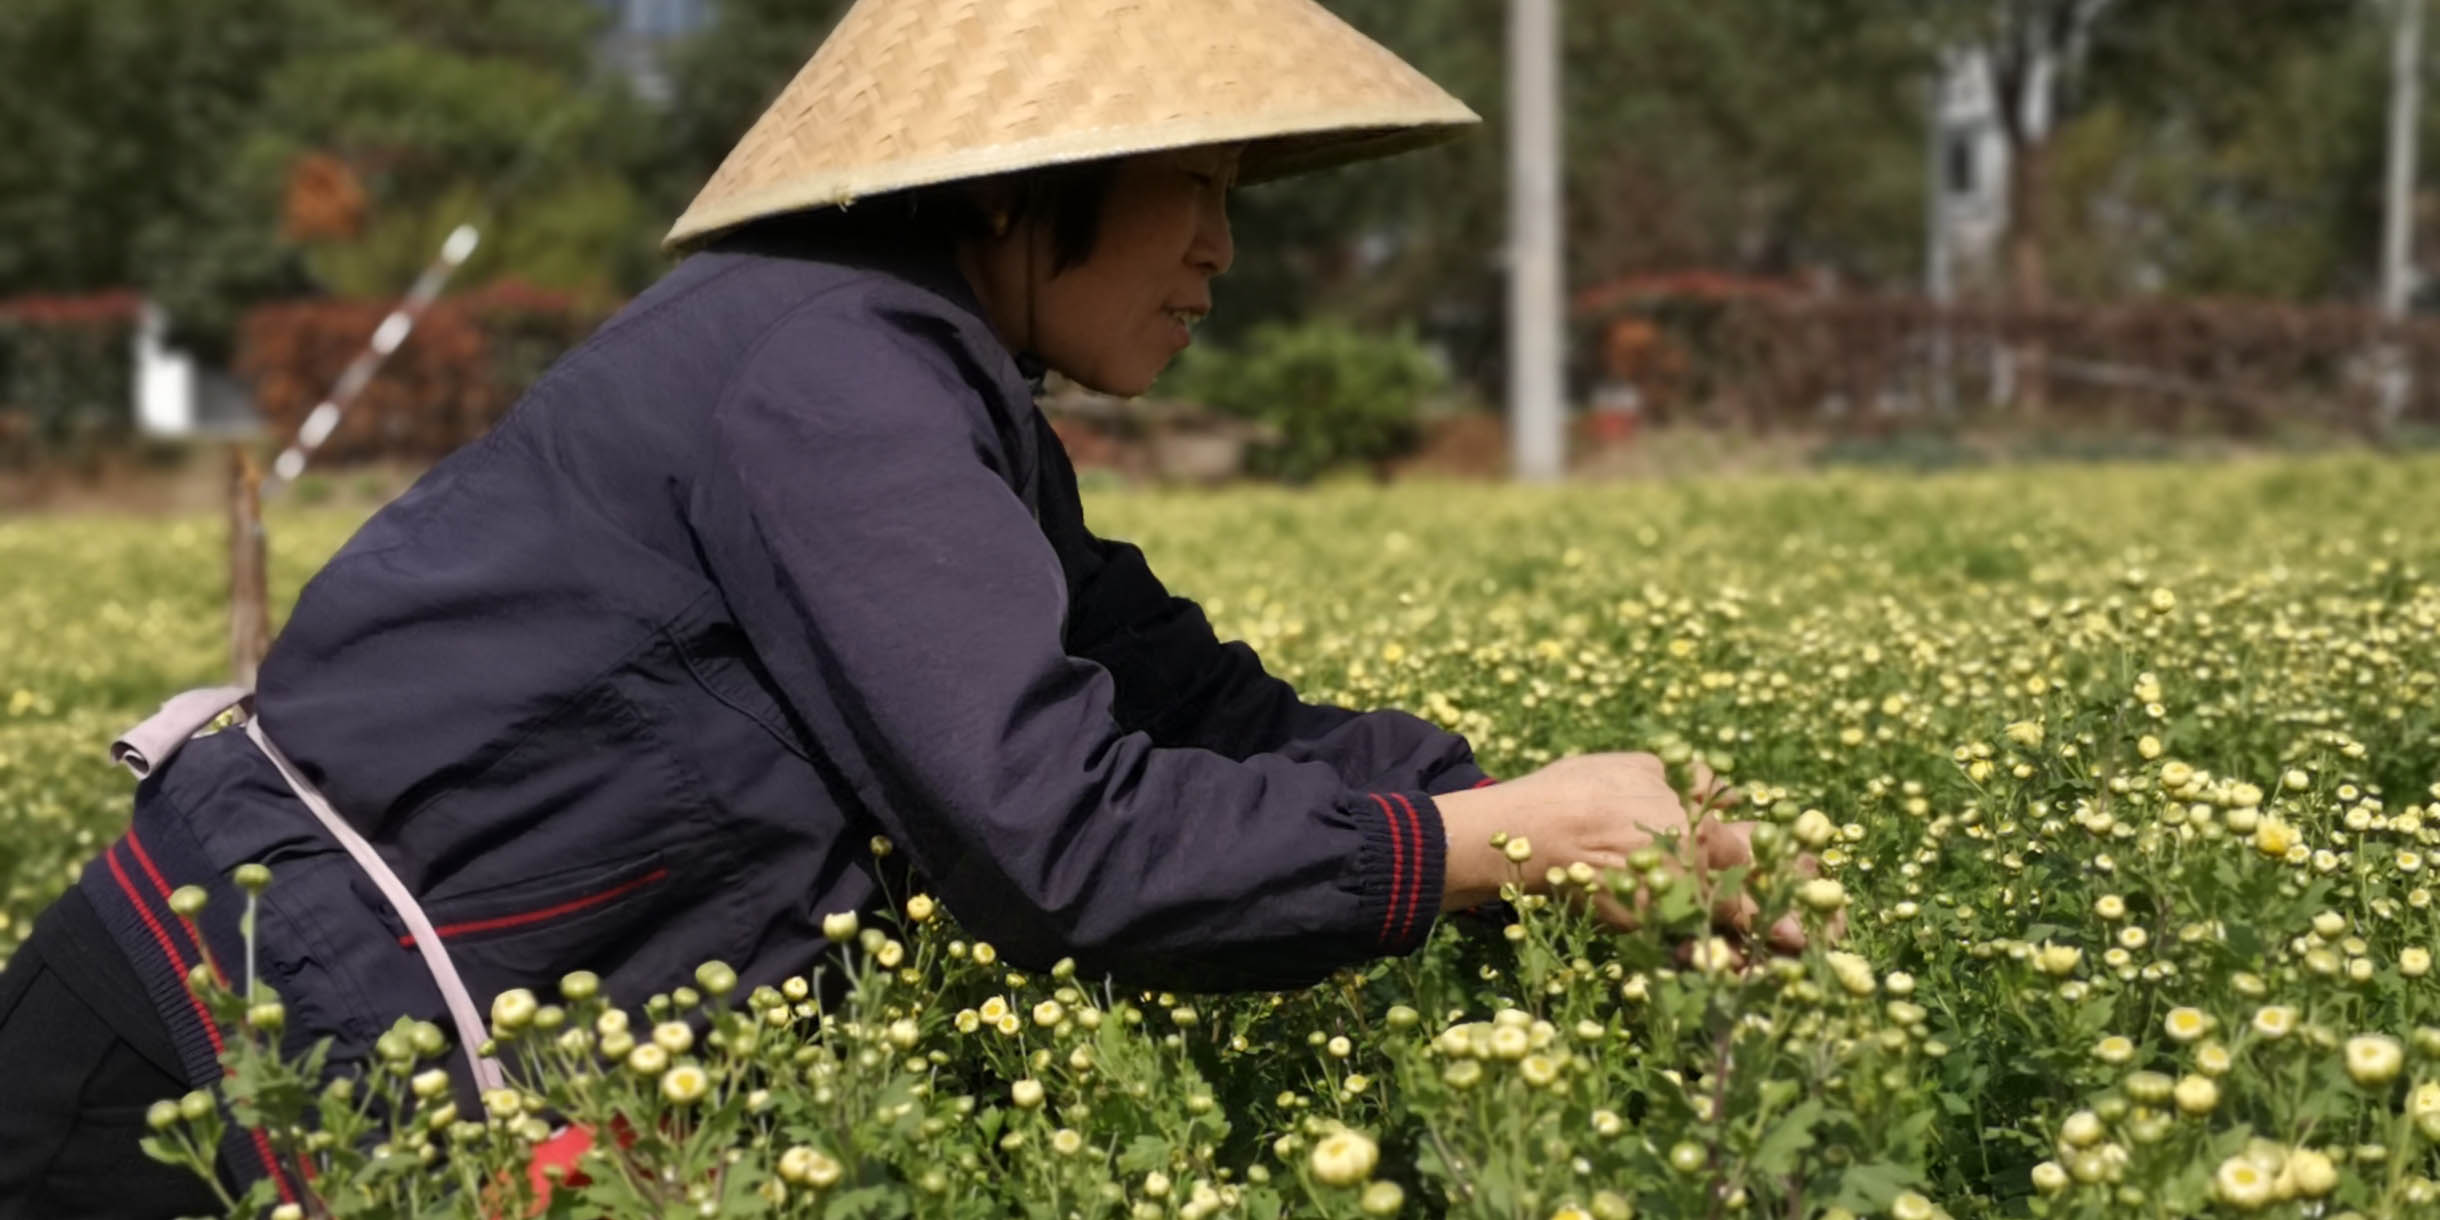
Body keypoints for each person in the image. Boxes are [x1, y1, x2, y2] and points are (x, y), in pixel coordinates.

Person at [0, 0, 1802, 1213]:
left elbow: (1181, 704)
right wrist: (1492, 847)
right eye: (1203, 186)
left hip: (319, 1039)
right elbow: (1065, 842)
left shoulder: (917, 376)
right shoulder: (836, 367)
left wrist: (1554, 817)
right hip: (190, 1087)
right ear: (1027, 187)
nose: (1223, 249)